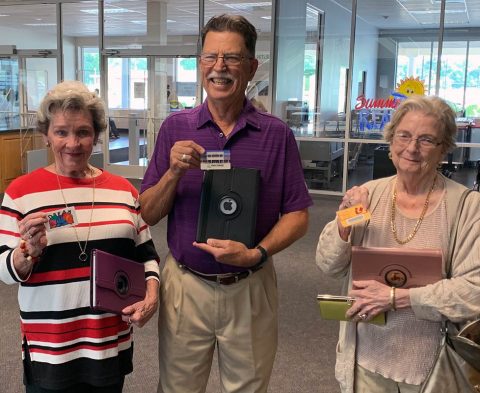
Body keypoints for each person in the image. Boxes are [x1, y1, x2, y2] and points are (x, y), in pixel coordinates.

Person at [139, 14, 313, 393]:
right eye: (210, 57)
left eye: (232, 58)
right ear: (200, 64)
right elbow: (148, 213)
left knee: (248, 388)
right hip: (186, 286)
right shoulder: (175, 128)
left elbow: (298, 215)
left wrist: (258, 254)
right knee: (177, 387)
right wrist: (172, 173)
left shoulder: (276, 135)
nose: (220, 68)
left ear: (252, 67)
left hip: (249, 285)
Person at [0, 80, 160, 392]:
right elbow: (4, 269)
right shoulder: (20, 193)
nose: (72, 142)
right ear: (47, 135)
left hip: (108, 343)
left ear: (96, 135)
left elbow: (147, 253)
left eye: (83, 132)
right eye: (61, 132)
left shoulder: (124, 191)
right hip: (51, 349)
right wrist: (26, 252)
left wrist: (152, 294)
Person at [316, 94, 480, 393]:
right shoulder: (367, 195)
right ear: (391, 141)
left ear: (444, 148)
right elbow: (329, 265)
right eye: (404, 135)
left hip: (434, 368)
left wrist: (396, 297)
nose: (412, 148)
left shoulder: (467, 207)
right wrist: (343, 222)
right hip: (365, 361)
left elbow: (474, 291)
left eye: (427, 140)